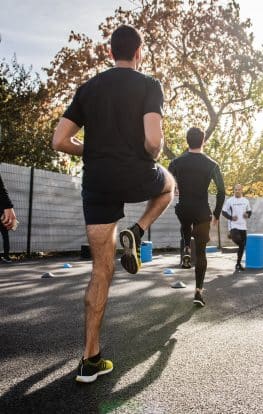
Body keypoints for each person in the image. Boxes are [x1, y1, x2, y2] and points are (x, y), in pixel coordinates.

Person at [52, 25, 174, 383]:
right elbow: (153, 141)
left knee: (100, 270)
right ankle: (137, 230)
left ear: (110, 53)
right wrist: (155, 151)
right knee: (168, 186)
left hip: (98, 182)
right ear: (139, 54)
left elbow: (60, 140)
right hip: (137, 175)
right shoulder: (149, 85)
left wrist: (90, 150)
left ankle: (90, 359)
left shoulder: (88, 89)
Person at [168, 127, 225, 307]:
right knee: (201, 252)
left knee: (185, 222)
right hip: (202, 211)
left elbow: (166, 182)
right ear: (203, 141)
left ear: (187, 141)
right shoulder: (212, 164)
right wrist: (216, 214)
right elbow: (221, 191)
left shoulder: (177, 162)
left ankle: (185, 247)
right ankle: (198, 292)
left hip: (184, 207)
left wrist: (175, 188)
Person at [221, 184, 252, 271]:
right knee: (240, 243)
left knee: (242, 245)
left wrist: (247, 215)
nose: (237, 191)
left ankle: (238, 264)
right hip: (233, 225)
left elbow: (249, 211)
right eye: (235, 190)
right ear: (234, 190)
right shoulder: (230, 201)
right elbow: (223, 212)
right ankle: (232, 234)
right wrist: (231, 218)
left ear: (242, 190)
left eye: (239, 189)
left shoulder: (246, 201)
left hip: (243, 226)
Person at [0, 172, 17, 263]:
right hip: (3, 218)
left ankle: (6, 257)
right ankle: (7, 257)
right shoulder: (2, 197)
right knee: (5, 237)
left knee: (5, 237)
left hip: (3, 217)